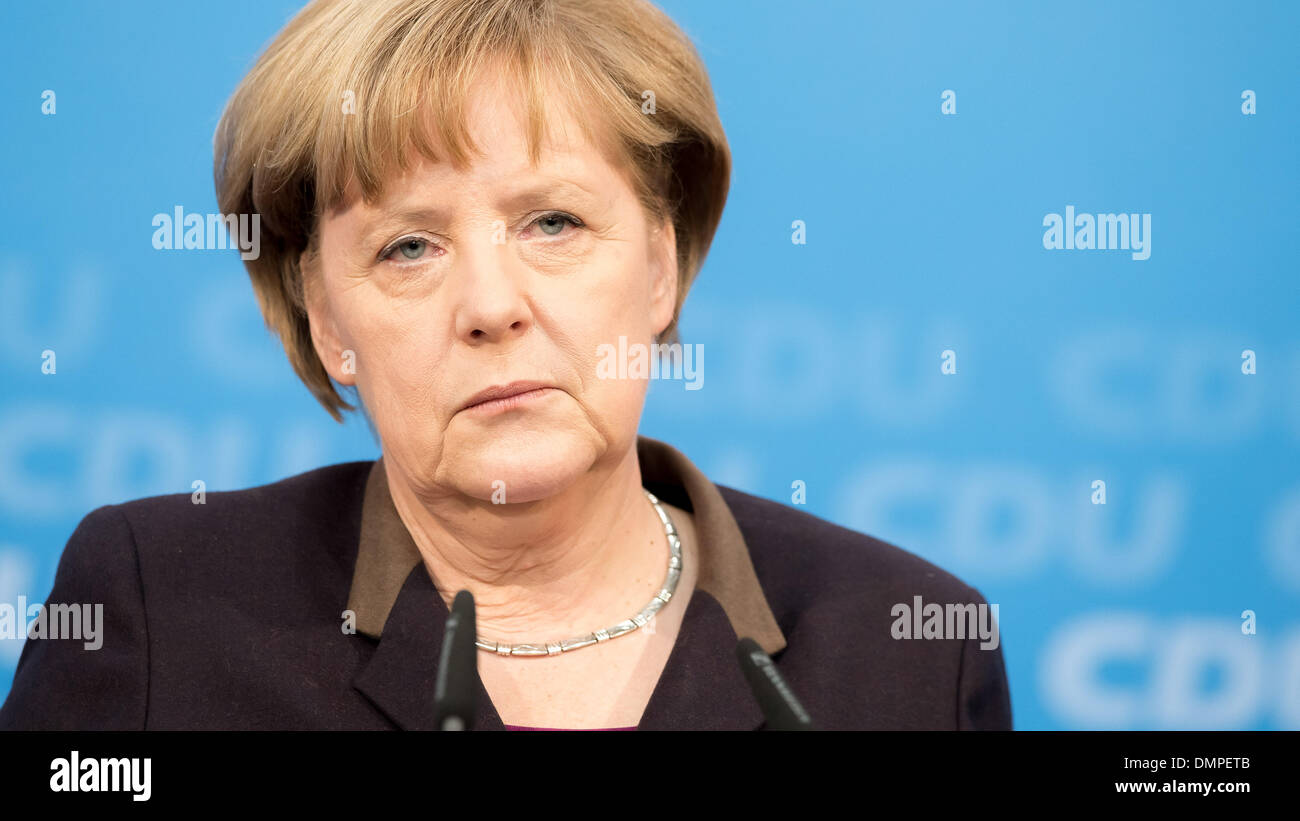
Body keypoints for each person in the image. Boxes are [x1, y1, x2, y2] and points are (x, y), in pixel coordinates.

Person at [0, 0, 1011, 730]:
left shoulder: (906, 642)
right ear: (327, 322)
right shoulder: (162, 603)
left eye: (553, 222)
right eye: (408, 246)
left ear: (662, 267)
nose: (490, 305)